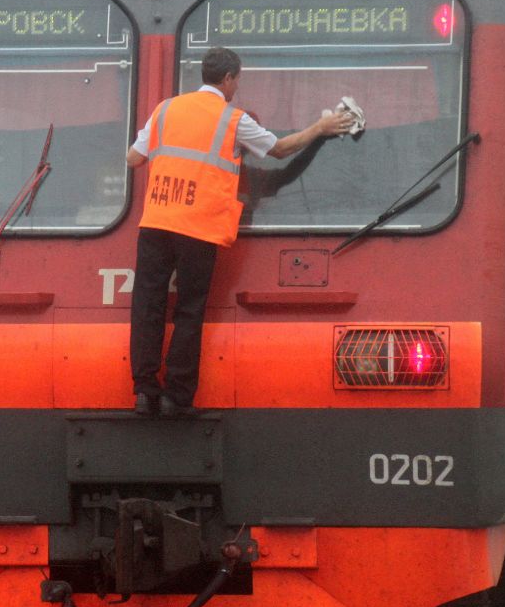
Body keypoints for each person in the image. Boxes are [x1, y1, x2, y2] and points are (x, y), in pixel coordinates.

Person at [125, 46, 355, 416]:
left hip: (156, 223)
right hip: (198, 228)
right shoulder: (233, 119)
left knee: (147, 305)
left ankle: (143, 390)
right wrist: (320, 128)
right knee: (188, 309)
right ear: (230, 79)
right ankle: (176, 396)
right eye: (237, 79)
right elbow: (280, 151)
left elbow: (133, 158)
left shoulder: (165, 109)